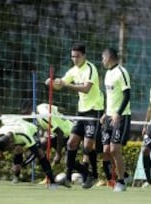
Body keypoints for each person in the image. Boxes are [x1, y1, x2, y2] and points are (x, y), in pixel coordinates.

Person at [45, 43, 104, 188]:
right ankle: (71, 176)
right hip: (81, 111)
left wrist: (65, 85)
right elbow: (61, 84)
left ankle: (93, 175)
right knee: (71, 144)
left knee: (87, 147)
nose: (75, 59)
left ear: (84, 56)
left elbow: (86, 89)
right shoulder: (73, 70)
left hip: (94, 110)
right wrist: (52, 83)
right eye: (72, 56)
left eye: (77, 56)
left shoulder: (91, 69)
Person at [0, 118, 58, 189]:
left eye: (8, 147)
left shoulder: (25, 136)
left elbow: (35, 153)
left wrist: (22, 164)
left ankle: (52, 182)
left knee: (40, 153)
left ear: (12, 142)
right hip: (13, 127)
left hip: (30, 129)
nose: (8, 150)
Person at [11, 102, 72, 184]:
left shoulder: (43, 116)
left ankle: (86, 175)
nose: (25, 115)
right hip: (62, 131)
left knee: (69, 161)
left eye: (25, 113)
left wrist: (58, 154)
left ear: (29, 109)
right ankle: (49, 177)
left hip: (67, 134)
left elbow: (59, 132)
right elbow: (61, 109)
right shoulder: (42, 106)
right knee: (40, 147)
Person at [100, 48, 131, 192]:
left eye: (103, 58)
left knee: (114, 149)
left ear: (109, 57)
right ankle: (123, 174)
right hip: (109, 116)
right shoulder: (107, 73)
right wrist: (106, 113)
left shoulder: (121, 72)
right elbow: (110, 97)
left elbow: (127, 94)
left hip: (121, 116)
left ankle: (121, 182)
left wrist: (118, 113)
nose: (102, 61)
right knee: (106, 150)